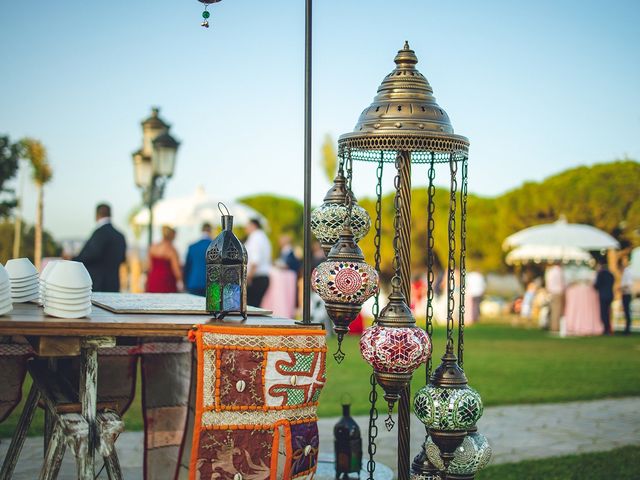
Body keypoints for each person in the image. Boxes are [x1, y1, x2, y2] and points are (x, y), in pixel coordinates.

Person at [73, 203, 126, 292]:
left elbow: (90, 255)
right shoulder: (120, 235)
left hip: (98, 284)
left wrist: (72, 259)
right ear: (110, 214)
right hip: (114, 284)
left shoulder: (99, 233)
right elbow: (122, 259)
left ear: (97, 215)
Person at [146, 226, 183, 293]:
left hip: (153, 280)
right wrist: (181, 280)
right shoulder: (171, 250)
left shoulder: (153, 247)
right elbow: (176, 270)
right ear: (172, 236)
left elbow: (149, 267)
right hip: (167, 282)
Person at [244, 218, 271, 307]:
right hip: (262, 277)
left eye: (247, 225)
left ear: (253, 225)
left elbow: (255, 260)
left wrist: (249, 277)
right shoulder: (263, 237)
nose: (246, 228)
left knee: (251, 308)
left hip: (256, 278)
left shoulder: (255, 237)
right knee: (255, 306)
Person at [183, 223, 213, 296]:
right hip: (211, 284)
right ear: (211, 230)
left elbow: (187, 267)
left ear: (201, 230)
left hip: (193, 282)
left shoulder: (192, 247)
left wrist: (185, 282)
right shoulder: (215, 246)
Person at [594, 259, 615, 335]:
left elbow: (596, 285)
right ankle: (609, 328)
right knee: (608, 313)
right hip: (610, 295)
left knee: (604, 313)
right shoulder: (611, 274)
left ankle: (606, 329)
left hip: (603, 296)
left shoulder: (600, 274)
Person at [544, 262, 565, 333]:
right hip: (557, 292)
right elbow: (562, 283)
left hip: (551, 292)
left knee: (553, 310)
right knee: (557, 311)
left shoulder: (550, 271)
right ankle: (555, 327)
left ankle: (553, 326)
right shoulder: (559, 271)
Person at [620, 256, 634, 335]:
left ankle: (627, 330)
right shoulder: (625, 271)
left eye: (624, 261)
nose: (623, 263)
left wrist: (620, 288)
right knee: (626, 312)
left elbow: (628, 284)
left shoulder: (628, 271)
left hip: (627, 293)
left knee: (627, 312)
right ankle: (627, 329)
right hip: (625, 293)